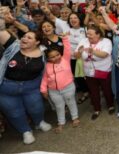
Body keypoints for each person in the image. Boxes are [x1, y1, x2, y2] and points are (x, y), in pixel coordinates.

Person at [0, 13, 51, 144]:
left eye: (29, 37)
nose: (24, 39)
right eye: (24, 36)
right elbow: (1, 30)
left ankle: (39, 123)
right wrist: (2, 18)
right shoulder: (13, 45)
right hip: (7, 88)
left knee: (36, 107)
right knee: (14, 112)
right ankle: (25, 131)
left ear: (37, 42)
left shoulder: (43, 52)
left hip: (32, 87)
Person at [40, 34, 80, 133]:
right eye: (52, 57)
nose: (56, 58)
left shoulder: (65, 59)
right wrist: (43, 90)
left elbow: (67, 49)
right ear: (48, 59)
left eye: (57, 55)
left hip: (68, 87)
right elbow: (45, 78)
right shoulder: (47, 66)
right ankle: (61, 123)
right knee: (59, 106)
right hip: (54, 91)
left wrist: (65, 38)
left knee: (71, 102)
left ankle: (75, 117)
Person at [75, 25, 114, 120]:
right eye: (87, 33)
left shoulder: (106, 41)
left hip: (103, 69)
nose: (88, 36)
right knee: (93, 91)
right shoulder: (83, 41)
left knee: (106, 89)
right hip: (89, 71)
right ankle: (97, 109)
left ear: (98, 34)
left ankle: (110, 105)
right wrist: (79, 52)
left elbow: (105, 54)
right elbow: (76, 55)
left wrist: (93, 51)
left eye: (91, 34)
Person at [67, 12, 90, 104]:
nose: (73, 20)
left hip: (84, 57)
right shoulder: (67, 31)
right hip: (72, 58)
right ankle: (85, 92)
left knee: (87, 76)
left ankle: (92, 91)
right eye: (71, 18)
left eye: (75, 18)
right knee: (78, 77)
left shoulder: (85, 29)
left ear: (79, 19)